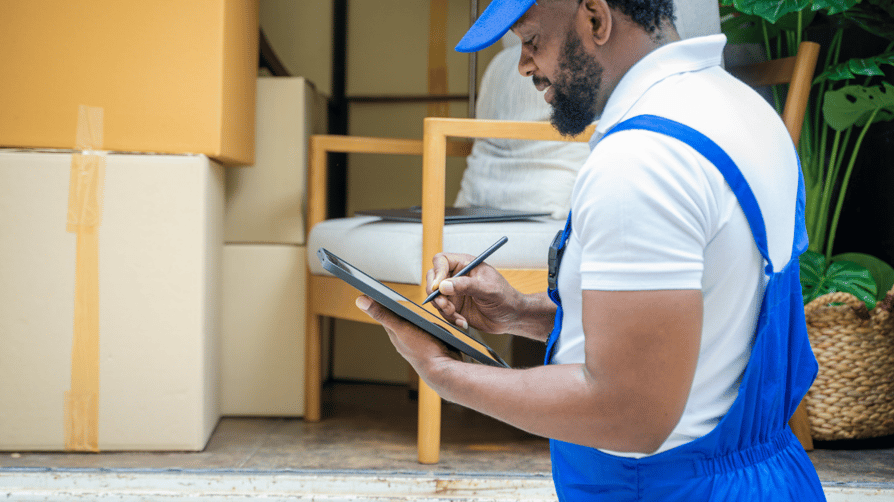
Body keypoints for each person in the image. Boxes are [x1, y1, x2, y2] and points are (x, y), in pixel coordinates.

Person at [353, 0, 826, 499]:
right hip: (772, 476)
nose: (523, 65)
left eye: (531, 39)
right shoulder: (744, 110)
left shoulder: (640, 163)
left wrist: (445, 373)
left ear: (596, 18)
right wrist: (521, 313)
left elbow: (630, 411)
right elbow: (703, 324)